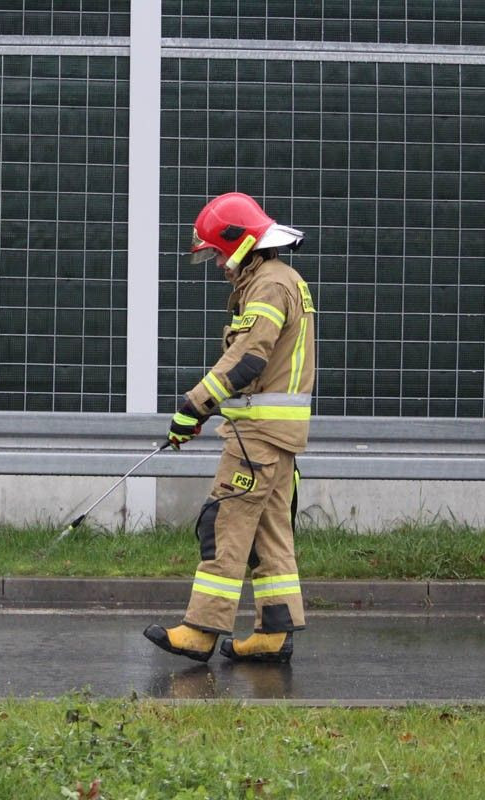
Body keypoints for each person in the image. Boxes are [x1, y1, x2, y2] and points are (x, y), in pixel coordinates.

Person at [144, 192, 316, 664]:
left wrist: (193, 406)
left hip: (257, 437)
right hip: (276, 439)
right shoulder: (282, 280)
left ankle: (201, 630)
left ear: (240, 244)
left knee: (223, 525)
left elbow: (248, 357)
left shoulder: (268, 287)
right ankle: (274, 632)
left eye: (219, 252)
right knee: (269, 533)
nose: (219, 263)